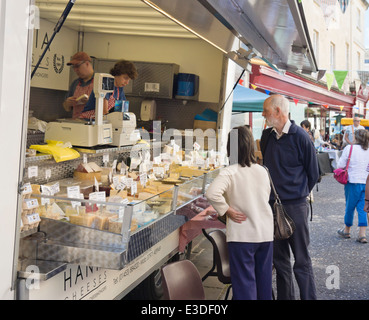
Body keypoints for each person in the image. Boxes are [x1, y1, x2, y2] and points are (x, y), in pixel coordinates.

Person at [260, 94, 319, 300]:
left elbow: (314, 174)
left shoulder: (301, 137)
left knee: (302, 261)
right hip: (272, 207)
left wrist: (297, 194)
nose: (263, 115)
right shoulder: (266, 137)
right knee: (281, 262)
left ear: (277, 111)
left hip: (296, 207)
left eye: (266, 111)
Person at [205, 126, 274, 300]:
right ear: (250, 145)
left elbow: (211, 193)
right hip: (265, 233)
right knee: (263, 284)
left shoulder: (230, 172)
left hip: (242, 235)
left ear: (231, 147)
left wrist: (227, 210)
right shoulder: (262, 170)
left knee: (244, 286)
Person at [337, 129, 369, 243]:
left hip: (352, 182)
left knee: (349, 207)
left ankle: (347, 230)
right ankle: (362, 234)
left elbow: (340, 165)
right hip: (366, 183)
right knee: (363, 208)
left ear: (357, 138)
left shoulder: (349, 148)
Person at [63, 51, 95, 119]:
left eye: (77, 66)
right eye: (73, 67)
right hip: (76, 124)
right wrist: (67, 103)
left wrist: (91, 102)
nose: (75, 70)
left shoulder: (100, 81)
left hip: (93, 125)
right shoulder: (75, 83)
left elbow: (107, 108)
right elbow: (66, 108)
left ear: (87, 64)